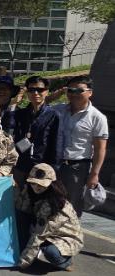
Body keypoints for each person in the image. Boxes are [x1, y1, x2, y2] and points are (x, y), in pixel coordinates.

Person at [52, 75, 109, 217]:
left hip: (77, 168)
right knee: (50, 204)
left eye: (79, 90)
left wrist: (94, 174)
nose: (74, 94)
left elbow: (100, 149)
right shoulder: (58, 110)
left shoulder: (97, 117)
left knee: (72, 207)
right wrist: (55, 95)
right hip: (54, 164)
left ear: (90, 92)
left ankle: (71, 231)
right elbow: (39, 104)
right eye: (70, 90)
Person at [17, 163, 83, 271]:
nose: (36, 187)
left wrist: (23, 262)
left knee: (50, 252)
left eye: (41, 184)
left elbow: (39, 235)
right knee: (20, 216)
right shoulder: (29, 190)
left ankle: (66, 262)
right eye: (33, 183)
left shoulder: (55, 203)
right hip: (44, 231)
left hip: (64, 238)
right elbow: (20, 209)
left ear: (51, 184)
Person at [12, 76, 59, 187]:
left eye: (40, 90)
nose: (35, 93)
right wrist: (13, 103)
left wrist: (53, 168)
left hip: (41, 167)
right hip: (21, 165)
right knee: (17, 194)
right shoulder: (20, 114)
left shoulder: (53, 115)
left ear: (46, 92)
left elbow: (56, 144)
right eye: (31, 90)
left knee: (36, 195)